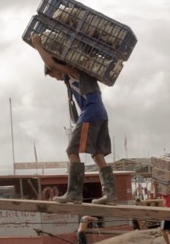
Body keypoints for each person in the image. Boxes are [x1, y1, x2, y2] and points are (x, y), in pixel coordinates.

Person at [31, 35, 116, 204]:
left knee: (72, 150)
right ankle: (110, 195)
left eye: (54, 75)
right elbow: (53, 66)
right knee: (97, 153)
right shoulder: (73, 77)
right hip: (100, 113)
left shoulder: (74, 71)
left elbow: (52, 64)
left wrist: (38, 46)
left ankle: (74, 193)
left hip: (90, 113)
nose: (56, 78)